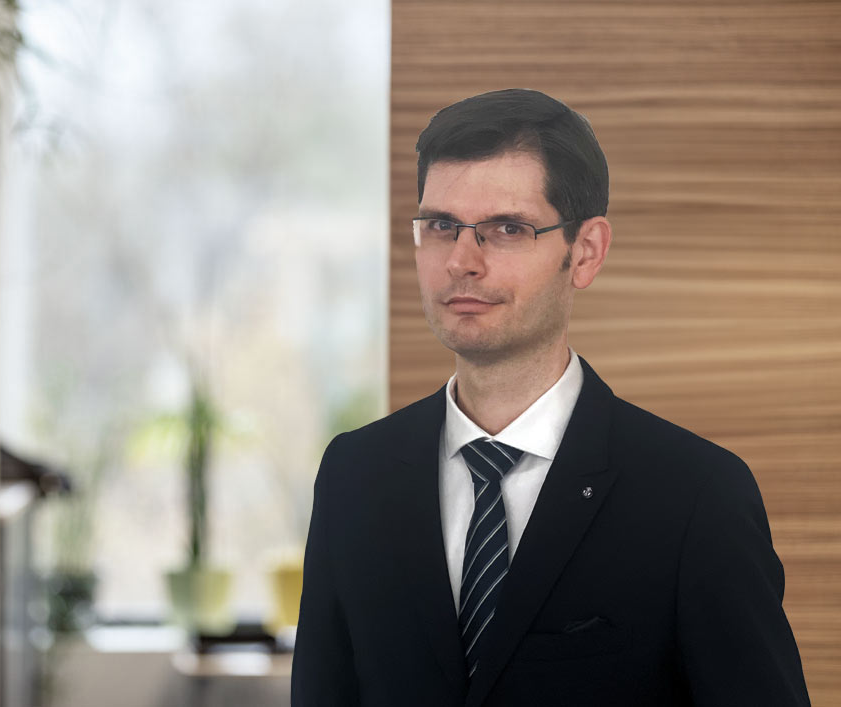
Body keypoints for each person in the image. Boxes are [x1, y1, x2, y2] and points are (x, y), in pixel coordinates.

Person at [290, 88, 810, 707]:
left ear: (585, 252)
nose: (461, 261)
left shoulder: (697, 494)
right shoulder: (354, 476)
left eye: (507, 229)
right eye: (442, 226)